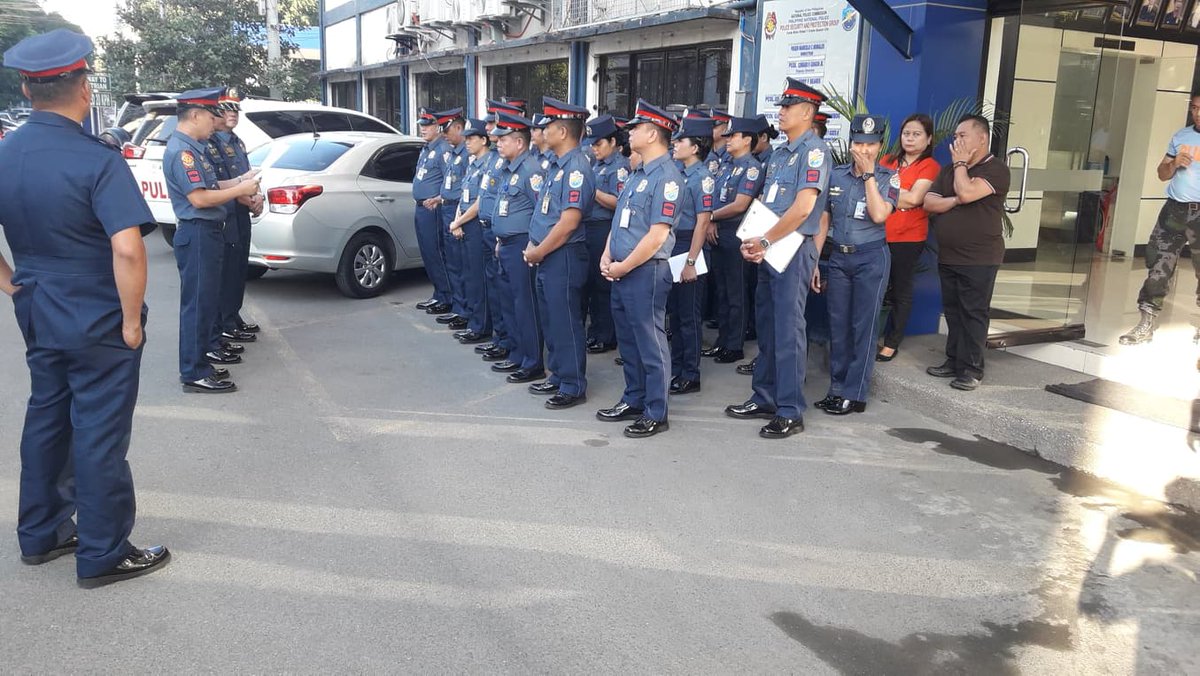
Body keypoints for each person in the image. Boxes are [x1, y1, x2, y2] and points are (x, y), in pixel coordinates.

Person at [0, 29, 170, 586]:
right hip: (96, 315)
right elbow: (127, 248)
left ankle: (42, 533)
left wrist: (12, 284)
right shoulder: (95, 159)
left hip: (37, 306)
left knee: (47, 417)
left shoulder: (6, 154)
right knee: (98, 430)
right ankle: (103, 552)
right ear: (84, 89)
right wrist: (129, 320)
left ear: (27, 90)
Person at [725, 78, 830, 439]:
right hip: (769, 248)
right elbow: (767, 205)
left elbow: (804, 208)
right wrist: (750, 240)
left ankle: (789, 409)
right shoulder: (782, 154)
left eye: (788, 107)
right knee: (768, 325)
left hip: (792, 249)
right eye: (782, 105)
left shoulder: (814, 152)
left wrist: (766, 240)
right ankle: (765, 395)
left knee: (788, 330)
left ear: (806, 112)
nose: (781, 112)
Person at [596, 99, 684, 438]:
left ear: (652, 133)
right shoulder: (636, 174)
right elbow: (620, 222)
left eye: (635, 128)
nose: (629, 133)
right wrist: (607, 256)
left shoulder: (668, 177)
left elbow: (657, 234)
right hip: (622, 268)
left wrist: (623, 266)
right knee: (629, 341)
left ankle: (655, 411)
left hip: (646, 270)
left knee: (650, 341)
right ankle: (633, 397)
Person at [165, 87, 262, 394]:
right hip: (197, 233)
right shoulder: (184, 152)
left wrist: (242, 181)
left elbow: (214, 184)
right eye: (211, 115)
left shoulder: (195, 147)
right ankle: (193, 372)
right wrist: (240, 190)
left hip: (207, 233)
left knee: (206, 303)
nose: (214, 121)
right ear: (194, 115)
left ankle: (201, 362)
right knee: (197, 305)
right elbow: (200, 198)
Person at [813, 114, 898, 416]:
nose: (864, 150)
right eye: (859, 143)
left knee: (863, 326)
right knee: (838, 325)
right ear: (850, 144)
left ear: (879, 147)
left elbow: (879, 215)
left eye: (870, 145)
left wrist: (869, 175)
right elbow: (824, 219)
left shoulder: (889, 178)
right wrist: (815, 260)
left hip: (871, 258)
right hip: (838, 258)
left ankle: (855, 393)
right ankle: (836, 388)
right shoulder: (835, 175)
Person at [923, 114, 1011, 391]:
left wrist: (961, 166)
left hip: (980, 257)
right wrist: (955, 198)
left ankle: (972, 369)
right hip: (949, 255)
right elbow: (929, 202)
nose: (956, 141)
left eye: (963, 135)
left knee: (973, 312)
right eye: (956, 136)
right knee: (953, 312)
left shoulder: (995, 169)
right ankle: (953, 360)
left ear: (982, 138)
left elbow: (969, 192)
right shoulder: (948, 171)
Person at [523, 98, 595, 409]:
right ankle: (559, 373)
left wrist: (539, 250)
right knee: (552, 318)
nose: (542, 131)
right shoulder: (555, 165)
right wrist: (533, 244)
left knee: (565, 319)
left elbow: (568, 222)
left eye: (548, 127)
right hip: (546, 253)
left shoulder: (576, 168)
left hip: (563, 254)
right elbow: (545, 211)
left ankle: (573, 384)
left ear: (563, 131)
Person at [1119, 92, 1200, 345]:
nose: (1198, 113)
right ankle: (1146, 323)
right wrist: (1174, 163)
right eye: (1195, 108)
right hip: (1174, 210)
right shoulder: (1181, 136)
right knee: (1158, 267)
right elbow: (1162, 174)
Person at [489, 112, 546, 384]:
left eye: (504, 139)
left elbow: (541, 212)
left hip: (523, 244)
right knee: (509, 302)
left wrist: (534, 245)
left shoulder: (532, 171)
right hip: (506, 245)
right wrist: (500, 241)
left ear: (520, 143)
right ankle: (516, 353)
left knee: (525, 305)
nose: (498, 143)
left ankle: (532, 361)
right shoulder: (507, 169)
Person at [877, 113, 939, 361]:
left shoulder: (929, 166)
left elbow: (915, 198)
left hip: (907, 238)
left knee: (901, 289)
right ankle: (871, 336)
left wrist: (887, 193)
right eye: (906, 133)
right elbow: (869, 189)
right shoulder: (888, 160)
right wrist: (899, 196)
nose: (910, 138)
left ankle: (892, 342)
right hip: (878, 233)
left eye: (916, 134)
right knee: (877, 288)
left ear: (928, 138)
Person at [706, 116, 766, 365]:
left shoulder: (752, 167)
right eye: (727, 135)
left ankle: (735, 344)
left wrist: (710, 217)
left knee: (736, 290)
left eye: (733, 136)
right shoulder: (726, 165)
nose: (727, 139)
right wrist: (711, 220)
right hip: (718, 230)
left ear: (747, 139)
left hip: (736, 233)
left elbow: (740, 204)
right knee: (721, 289)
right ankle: (722, 340)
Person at [668, 116, 716, 395]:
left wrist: (691, 262)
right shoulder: (677, 172)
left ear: (696, 146)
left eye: (681, 140)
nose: (675, 144)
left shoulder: (703, 177)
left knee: (689, 314)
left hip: (690, 246)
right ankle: (676, 368)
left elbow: (702, 222)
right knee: (675, 313)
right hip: (674, 243)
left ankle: (690, 373)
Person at [474, 101, 524, 364]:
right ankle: (504, 341)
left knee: (520, 303)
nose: (494, 134)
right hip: (499, 237)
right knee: (501, 294)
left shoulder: (530, 168)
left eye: (500, 131)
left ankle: (521, 354)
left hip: (521, 243)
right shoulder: (501, 163)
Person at [215, 89, 263, 340]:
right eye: (227, 109)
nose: (232, 114)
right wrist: (245, 196)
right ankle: (224, 321)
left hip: (241, 214)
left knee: (239, 268)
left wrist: (258, 197)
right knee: (226, 272)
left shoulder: (237, 142)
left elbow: (248, 175)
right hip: (225, 215)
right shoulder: (211, 143)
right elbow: (219, 183)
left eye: (235, 109)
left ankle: (234, 314)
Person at [582, 115, 629, 354]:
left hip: (605, 228)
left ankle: (607, 335)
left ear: (612, 142)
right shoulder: (596, 165)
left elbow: (617, 202)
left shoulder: (619, 167)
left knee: (603, 285)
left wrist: (593, 189)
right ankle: (596, 331)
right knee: (591, 285)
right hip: (589, 227)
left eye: (598, 143)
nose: (594, 148)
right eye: (592, 144)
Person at [447, 117, 493, 345]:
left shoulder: (488, 165)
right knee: (468, 275)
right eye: (465, 138)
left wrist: (459, 222)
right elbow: (463, 197)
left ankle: (480, 325)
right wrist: (457, 219)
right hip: (464, 223)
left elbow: (479, 202)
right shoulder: (473, 164)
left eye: (471, 138)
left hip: (475, 225)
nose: (467, 142)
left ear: (484, 140)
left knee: (478, 277)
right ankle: (473, 320)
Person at [413, 108, 453, 316]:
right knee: (427, 253)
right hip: (421, 207)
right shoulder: (426, 148)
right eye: (421, 124)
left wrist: (438, 198)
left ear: (438, 126)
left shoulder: (443, 149)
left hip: (433, 208)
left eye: (427, 125)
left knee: (437, 252)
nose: (423, 129)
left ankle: (447, 296)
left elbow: (450, 180)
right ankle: (439, 293)